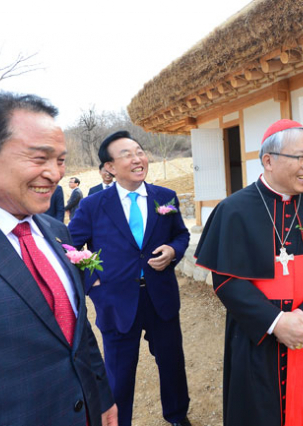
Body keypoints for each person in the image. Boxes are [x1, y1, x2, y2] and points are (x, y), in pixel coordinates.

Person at [0, 92, 117, 426]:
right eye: (39, 158)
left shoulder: (56, 231)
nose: (55, 174)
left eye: (60, 160)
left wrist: (101, 398)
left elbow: (78, 331)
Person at [195, 119, 303, 426]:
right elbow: (227, 280)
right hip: (259, 335)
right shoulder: (234, 209)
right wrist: (276, 322)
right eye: (301, 157)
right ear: (268, 160)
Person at [68, 131, 191, 426]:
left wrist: (173, 250)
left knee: (172, 363)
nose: (138, 158)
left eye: (139, 151)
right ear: (109, 166)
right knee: (119, 373)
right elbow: (69, 248)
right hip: (115, 300)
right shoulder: (93, 205)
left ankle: (177, 416)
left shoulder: (165, 197)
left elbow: (181, 234)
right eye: (127, 154)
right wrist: (92, 283)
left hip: (160, 295)